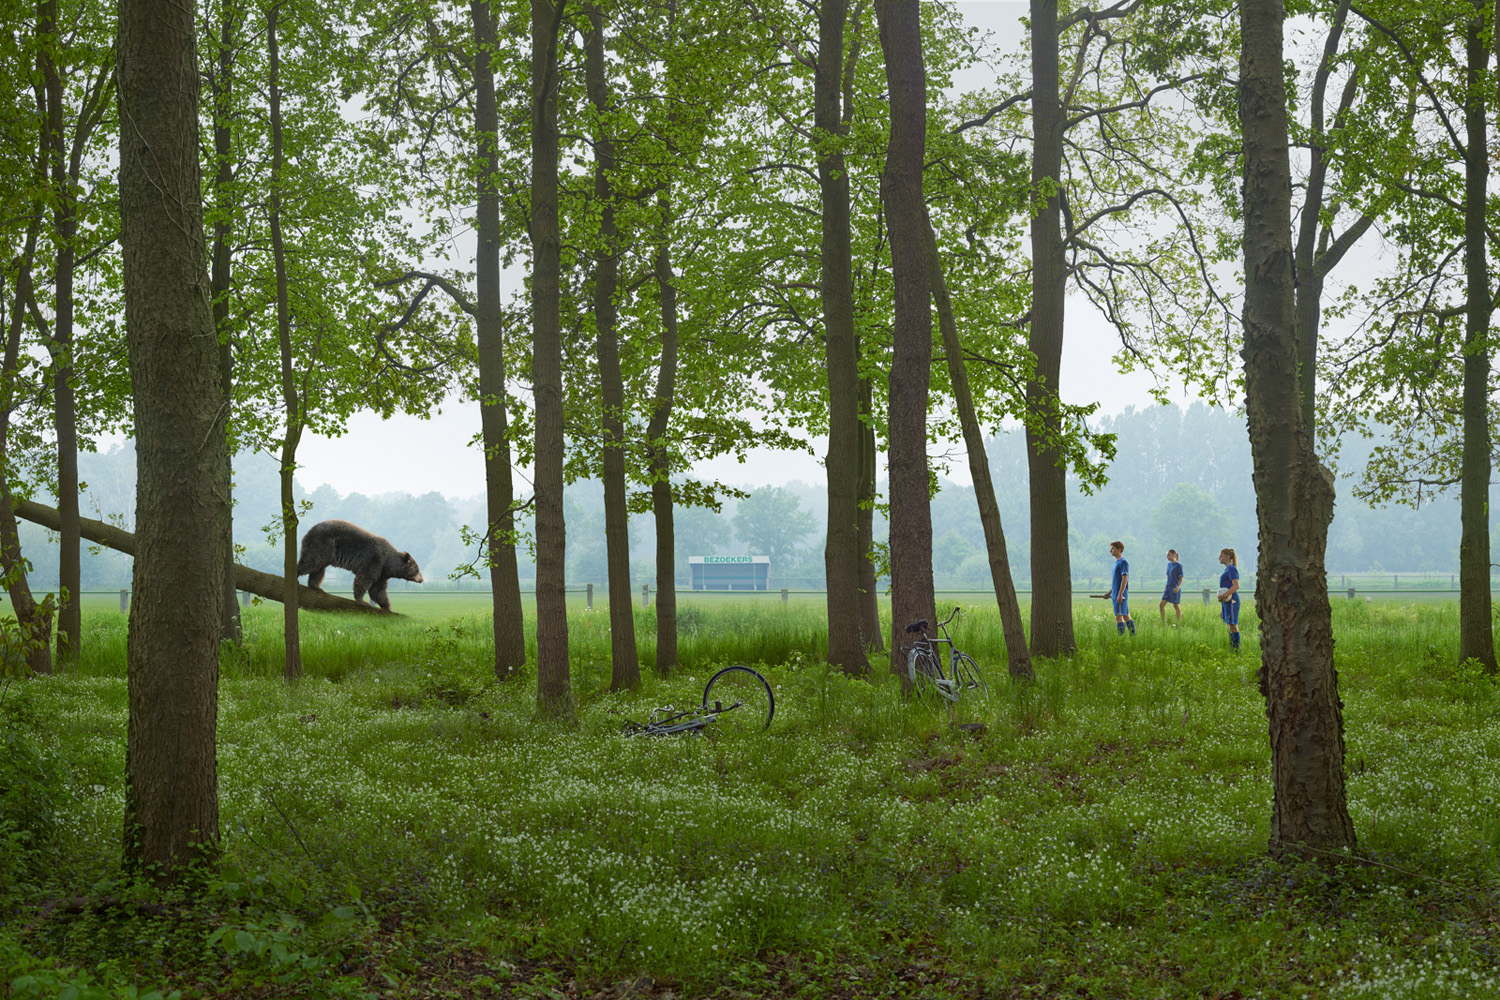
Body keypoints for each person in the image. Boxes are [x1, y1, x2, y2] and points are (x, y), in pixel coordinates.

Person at [1217, 547, 1241, 650]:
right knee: (1228, 625)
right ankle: (1232, 648)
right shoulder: (1226, 569)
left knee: (1233, 626)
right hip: (1226, 601)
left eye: (1221, 556)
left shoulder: (1232, 568)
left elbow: (1236, 586)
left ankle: (1236, 650)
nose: (1219, 558)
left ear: (1227, 556)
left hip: (1232, 601)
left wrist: (1224, 595)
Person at [1109, 540, 1135, 636]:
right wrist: (1110, 592)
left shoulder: (1123, 562)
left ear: (1119, 550)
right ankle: (1133, 636)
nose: (1110, 550)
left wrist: (1120, 594)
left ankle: (1120, 639)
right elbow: (1117, 581)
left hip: (1120, 595)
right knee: (1126, 616)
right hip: (1116, 594)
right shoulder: (1116, 563)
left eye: (1113, 549)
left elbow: (1125, 579)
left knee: (1118, 617)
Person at [1160, 549, 1184, 624]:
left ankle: (1179, 622)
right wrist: (1165, 587)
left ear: (1174, 555)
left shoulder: (1178, 565)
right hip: (1168, 587)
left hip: (1175, 587)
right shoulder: (1169, 565)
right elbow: (1168, 576)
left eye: (1168, 555)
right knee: (1161, 605)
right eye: (1167, 555)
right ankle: (1163, 622)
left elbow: (1181, 578)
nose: (1167, 557)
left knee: (1176, 606)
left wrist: (1178, 587)